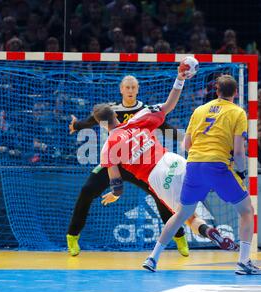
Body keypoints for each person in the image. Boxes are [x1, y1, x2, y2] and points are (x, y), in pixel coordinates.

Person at [96, 74, 237, 252]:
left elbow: (117, 184)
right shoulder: (137, 120)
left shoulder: (108, 148)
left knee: (187, 217)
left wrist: (115, 195)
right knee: (202, 181)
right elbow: (169, 105)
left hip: (158, 177)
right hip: (172, 160)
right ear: (116, 115)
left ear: (101, 124)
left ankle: (209, 232)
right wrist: (180, 79)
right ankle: (222, 182)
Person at [142, 75, 261, 275]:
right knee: (246, 210)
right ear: (235, 93)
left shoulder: (199, 110)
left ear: (216, 91)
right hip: (217, 165)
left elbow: (186, 145)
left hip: (194, 165)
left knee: (182, 214)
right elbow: (239, 151)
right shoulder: (238, 112)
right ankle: (244, 262)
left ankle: (153, 257)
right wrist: (241, 172)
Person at [66, 74, 192, 257]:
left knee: (161, 197)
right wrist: (77, 125)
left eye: (134, 87)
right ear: (121, 90)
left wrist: (184, 139)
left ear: (138, 89)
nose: (131, 90)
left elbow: (165, 128)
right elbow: (94, 119)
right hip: (115, 162)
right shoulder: (111, 109)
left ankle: (179, 237)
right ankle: (72, 236)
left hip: (140, 163)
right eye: (127, 87)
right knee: (87, 190)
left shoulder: (143, 110)